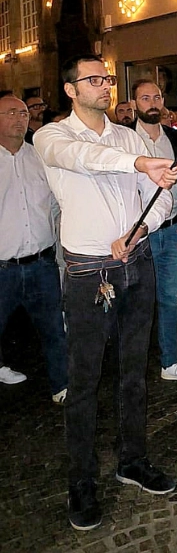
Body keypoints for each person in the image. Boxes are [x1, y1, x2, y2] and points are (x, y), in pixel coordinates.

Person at [34, 54, 177, 531]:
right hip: (87, 274)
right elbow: (84, 159)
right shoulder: (52, 136)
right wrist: (138, 161)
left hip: (134, 265)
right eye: (92, 79)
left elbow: (164, 200)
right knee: (83, 382)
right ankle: (81, 483)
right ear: (71, 89)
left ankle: (132, 459)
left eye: (106, 78)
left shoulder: (129, 134)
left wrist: (142, 228)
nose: (104, 84)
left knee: (135, 372)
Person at [131, 78, 177, 386]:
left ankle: (170, 361)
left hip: (172, 232)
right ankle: (132, 363)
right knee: (137, 300)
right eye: (145, 98)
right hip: (139, 236)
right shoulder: (123, 140)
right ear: (134, 105)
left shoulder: (176, 138)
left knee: (170, 299)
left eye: (157, 97)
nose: (152, 103)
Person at [0, 94, 68, 400]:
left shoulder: (40, 158)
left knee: (55, 328)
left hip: (41, 263)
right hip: (2, 267)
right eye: (11, 112)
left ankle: (62, 385)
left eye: (23, 113)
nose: (20, 118)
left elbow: (55, 205)